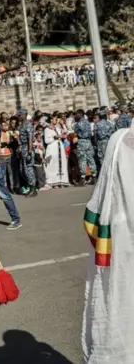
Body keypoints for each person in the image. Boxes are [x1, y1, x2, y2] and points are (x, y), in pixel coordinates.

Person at [82, 123, 134, 363]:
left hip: (116, 232)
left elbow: (96, 205)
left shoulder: (117, 140)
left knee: (119, 307)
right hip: (121, 235)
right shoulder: (119, 140)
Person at [43, 118, 70, 188]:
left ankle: (61, 181)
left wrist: (62, 136)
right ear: (51, 120)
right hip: (52, 149)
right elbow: (46, 141)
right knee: (52, 165)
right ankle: (54, 183)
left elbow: (61, 135)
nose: (56, 120)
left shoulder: (57, 128)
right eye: (55, 119)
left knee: (61, 164)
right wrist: (54, 137)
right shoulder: (47, 129)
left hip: (60, 148)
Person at [18, 109, 38, 197]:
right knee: (23, 170)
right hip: (23, 147)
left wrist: (29, 151)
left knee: (29, 169)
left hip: (27, 148)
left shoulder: (27, 124)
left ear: (24, 115)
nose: (19, 116)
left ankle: (33, 189)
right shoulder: (22, 124)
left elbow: (30, 137)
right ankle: (30, 186)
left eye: (20, 115)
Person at [75, 109, 97, 185]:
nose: (76, 116)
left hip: (81, 142)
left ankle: (83, 178)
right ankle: (94, 176)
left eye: (77, 114)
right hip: (88, 141)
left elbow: (76, 132)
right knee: (91, 159)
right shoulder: (87, 122)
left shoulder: (78, 124)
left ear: (80, 114)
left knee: (82, 159)